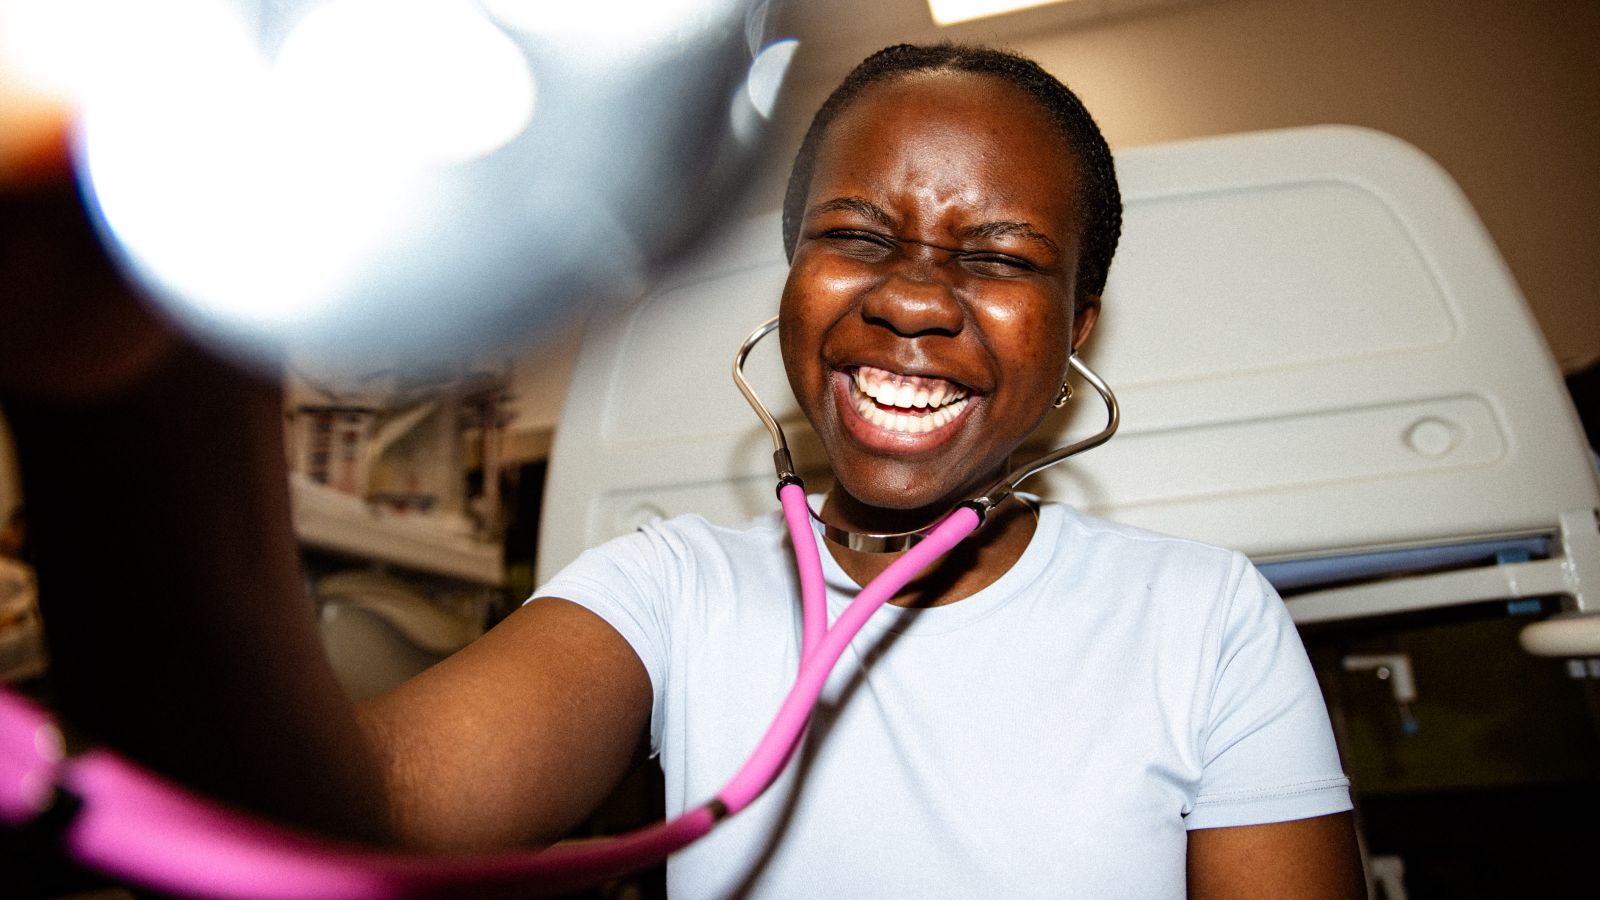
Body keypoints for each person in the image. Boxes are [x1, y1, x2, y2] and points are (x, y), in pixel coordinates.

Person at [1, 42, 1364, 899]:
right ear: (791, 282)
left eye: (1000, 260)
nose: (912, 302)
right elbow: (365, 813)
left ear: (1075, 330)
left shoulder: (1204, 618)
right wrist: (135, 342)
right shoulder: (672, 589)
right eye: (855, 236)